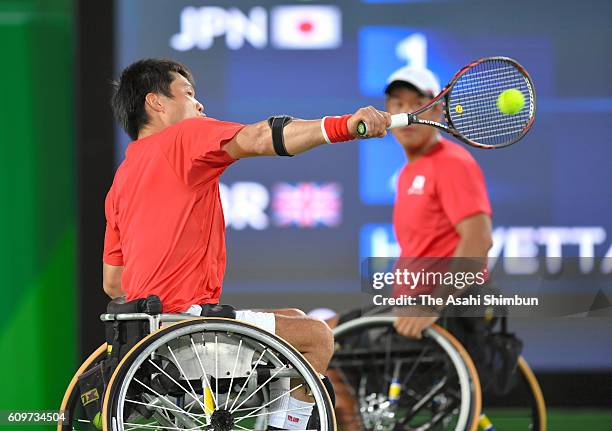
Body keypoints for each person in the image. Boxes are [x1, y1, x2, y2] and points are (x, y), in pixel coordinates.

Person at [102, 58, 391, 430]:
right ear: (155, 102)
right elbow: (259, 137)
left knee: (296, 320)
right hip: (186, 329)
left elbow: (113, 282)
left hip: (150, 336)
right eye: (188, 95)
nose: (199, 105)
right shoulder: (182, 137)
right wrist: (345, 126)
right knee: (317, 337)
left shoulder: (120, 182)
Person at [384, 66, 492, 337]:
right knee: (326, 342)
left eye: (419, 104)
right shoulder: (408, 172)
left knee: (326, 341)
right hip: (412, 314)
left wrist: (432, 304)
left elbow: (478, 241)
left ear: (437, 111)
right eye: (398, 104)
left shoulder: (452, 163)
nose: (407, 114)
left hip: (446, 318)